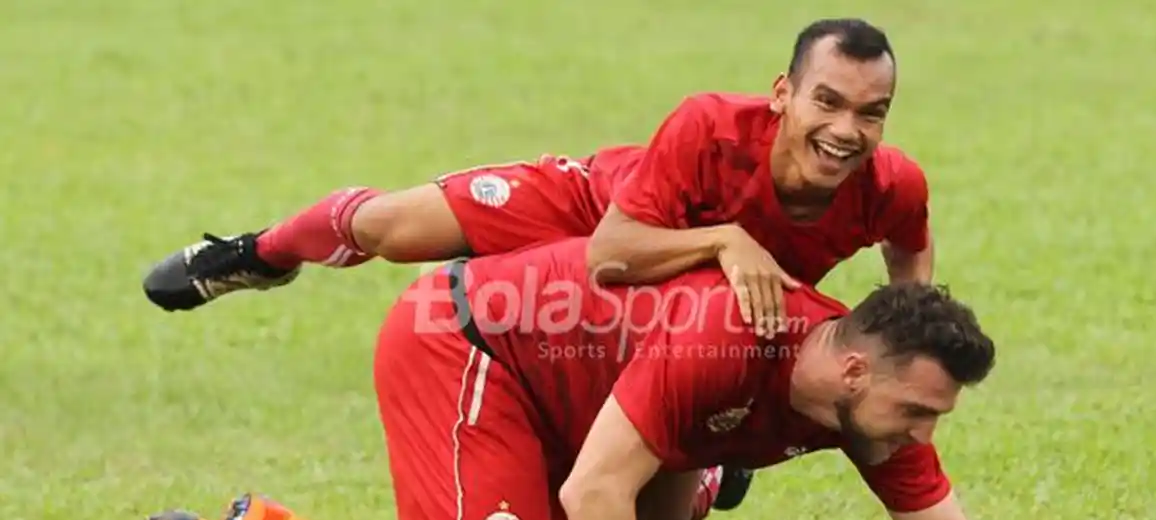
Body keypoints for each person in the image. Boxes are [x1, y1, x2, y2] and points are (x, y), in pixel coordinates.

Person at [125, 237, 1003, 520]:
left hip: (563, 407)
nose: (921, 432)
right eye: (918, 410)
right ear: (853, 369)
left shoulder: (867, 404)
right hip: (472, 347)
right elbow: (595, 493)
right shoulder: (732, 338)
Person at [142, 17, 934, 339]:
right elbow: (613, 250)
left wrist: (906, 325)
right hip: (595, 208)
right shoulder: (709, 127)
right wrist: (729, 239)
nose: (845, 131)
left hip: (672, 309)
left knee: (677, 431)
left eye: (870, 113)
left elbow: (910, 256)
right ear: (782, 93)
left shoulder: (893, 183)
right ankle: (263, 252)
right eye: (827, 102)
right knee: (388, 228)